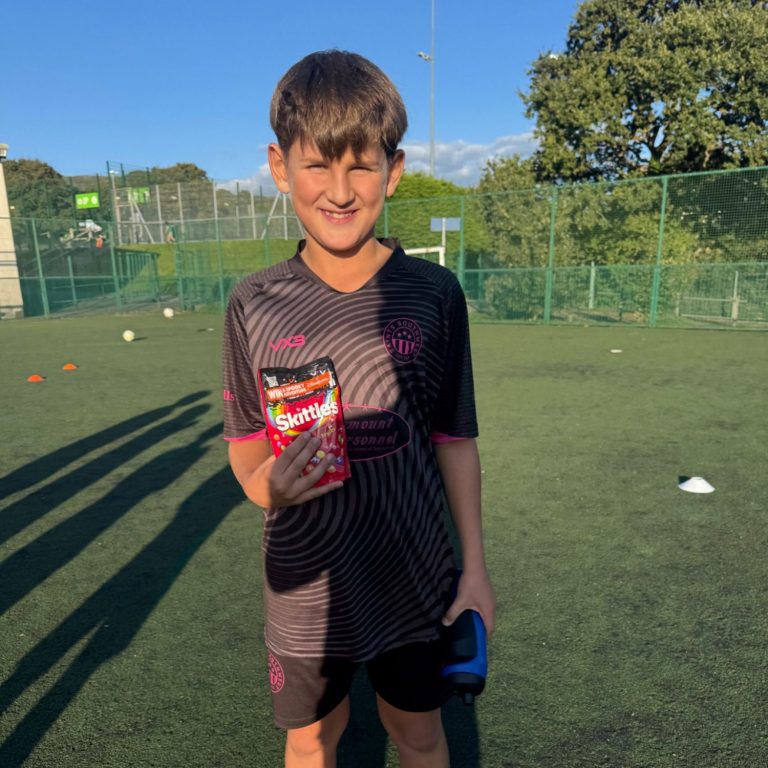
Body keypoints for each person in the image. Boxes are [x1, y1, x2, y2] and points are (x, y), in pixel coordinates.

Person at [222, 50, 495, 768]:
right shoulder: (253, 301)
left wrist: (474, 569)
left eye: (361, 166)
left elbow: (455, 438)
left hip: (415, 576)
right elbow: (246, 440)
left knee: (419, 735)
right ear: (280, 167)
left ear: (392, 170)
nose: (340, 191)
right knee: (312, 738)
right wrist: (265, 487)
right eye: (317, 165)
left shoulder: (434, 294)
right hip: (305, 586)